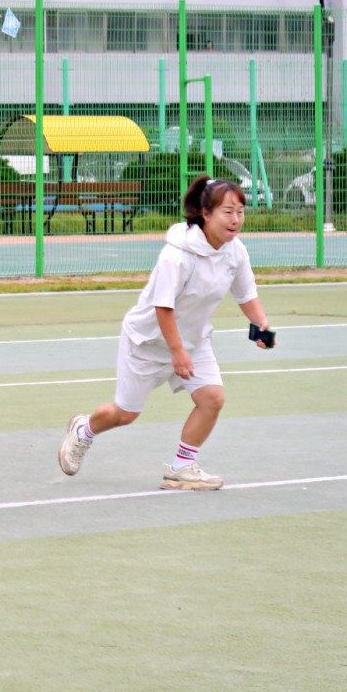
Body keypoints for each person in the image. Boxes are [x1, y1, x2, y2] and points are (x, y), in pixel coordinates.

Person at [58, 175, 274, 491]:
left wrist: (261, 325)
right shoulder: (178, 255)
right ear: (206, 214)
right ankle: (83, 431)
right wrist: (177, 352)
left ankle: (181, 468)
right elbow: (163, 307)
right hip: (147, 342)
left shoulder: (235, 251)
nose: (236, 219)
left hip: (193, 341)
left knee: (212, 398)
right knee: (125, 414)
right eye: (227, 212)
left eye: (240, 211)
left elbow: (245, 293)